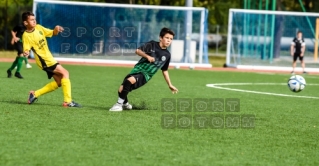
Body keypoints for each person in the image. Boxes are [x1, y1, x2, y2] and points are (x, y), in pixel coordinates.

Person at [109, 27, 178, 111]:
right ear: (160, 38)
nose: (169, 40)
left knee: (129, 81)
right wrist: (147, 56)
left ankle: (118, 105)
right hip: (137, 69)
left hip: (146, 75)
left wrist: (170, 84)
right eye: (167, 38)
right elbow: (138, 51)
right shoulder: (152, 44)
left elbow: (165, 70)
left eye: (171, 39)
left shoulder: (167, 55)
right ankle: (126, 104)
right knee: (121, 90)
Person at [21, 11, 81, 107]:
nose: (34, 21)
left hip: (48, 59)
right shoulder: (26, 35)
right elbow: (26, 48)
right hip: (44, 61)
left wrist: (56, 29)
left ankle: (35, 94)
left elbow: (52, 33)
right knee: (65, 73)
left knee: (59, 82)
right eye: (31, 20)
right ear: (25, 23)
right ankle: (67, 101)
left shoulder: (39, 28)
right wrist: (26, 52)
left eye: (34, 19)